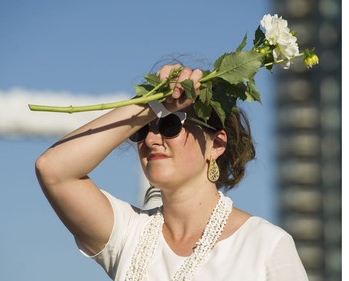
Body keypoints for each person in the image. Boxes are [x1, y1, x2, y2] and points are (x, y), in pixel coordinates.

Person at [35, 64, 309, 280]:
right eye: (142, 129)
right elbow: (53, 169)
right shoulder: (128, 234)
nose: (152, 140)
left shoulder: (265, 245)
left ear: (217, 144)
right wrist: (150, 103)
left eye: (170, 125)